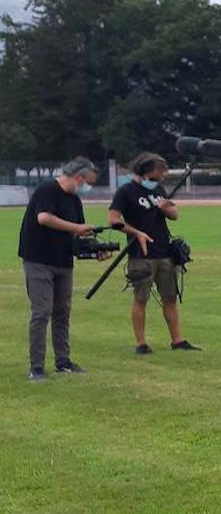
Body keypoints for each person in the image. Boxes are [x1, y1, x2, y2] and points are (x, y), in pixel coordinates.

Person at [17, 157, 103, 381]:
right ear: (78, 177)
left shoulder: (74, 201)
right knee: (41, 312)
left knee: (62, 313)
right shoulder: (47, 189)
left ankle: (63, 361)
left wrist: (95, 251)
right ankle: (36, 367)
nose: (87, 188)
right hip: (39, 260)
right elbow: (44, 218)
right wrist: (76, 227)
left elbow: (78, 234)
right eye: (88, 182)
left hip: (63, 262)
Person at [108, 152, 199, 354]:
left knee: (170, 298)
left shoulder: (158, 189)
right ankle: (141, 344)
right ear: (147, 171)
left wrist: (166, 208)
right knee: (141, 298)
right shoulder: (126, 192)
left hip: (164, 253)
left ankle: (177, 340)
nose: (164, 174)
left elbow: (174, 215)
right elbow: (113, 219)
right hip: (141, 255)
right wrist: (136, 232)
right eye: (160, 170)